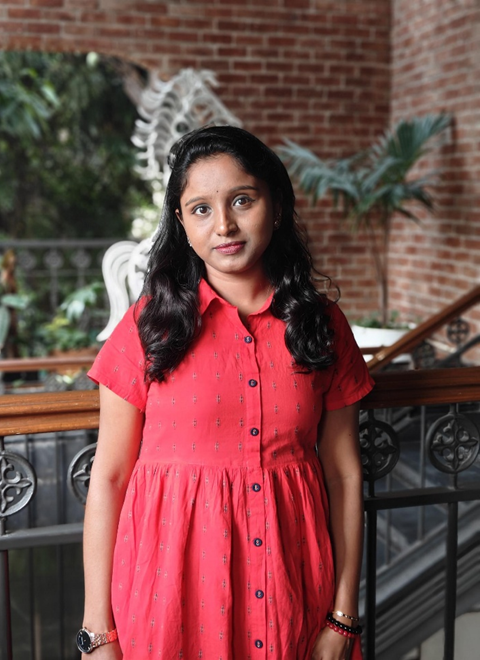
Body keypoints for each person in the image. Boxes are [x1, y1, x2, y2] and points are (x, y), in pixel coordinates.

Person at [79, 126, 374, 660]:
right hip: (168, 598)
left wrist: (343, 617)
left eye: (242, 200)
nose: (224, 226)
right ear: (181, 223)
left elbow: (344, 474)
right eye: (201, 209)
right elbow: (110, 478)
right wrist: (97, 632)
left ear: (275, 206)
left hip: (293, 591)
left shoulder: (322, 326)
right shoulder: (148, 328)